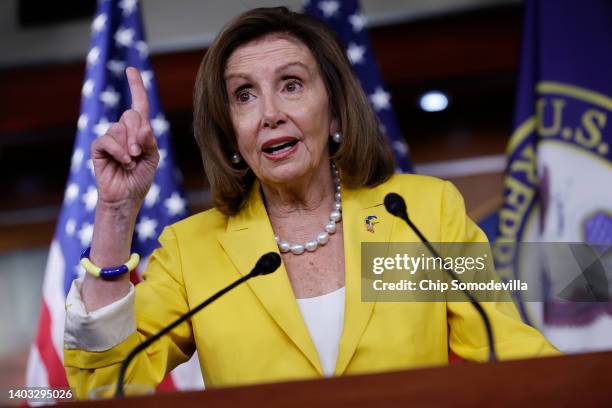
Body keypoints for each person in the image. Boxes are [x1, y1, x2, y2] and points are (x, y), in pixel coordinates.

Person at [63, 6, 559, 400]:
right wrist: (115, 209)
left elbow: (508, 353)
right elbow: (106, 385)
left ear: (336, 108)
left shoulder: (419, 215)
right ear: (232, 132)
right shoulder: (194, 251)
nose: (271, 114)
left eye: (292, 85)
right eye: (244, 96)